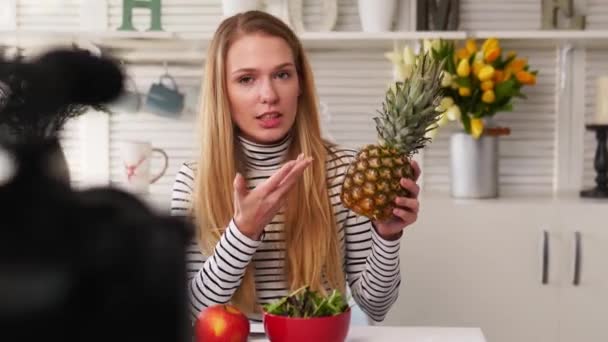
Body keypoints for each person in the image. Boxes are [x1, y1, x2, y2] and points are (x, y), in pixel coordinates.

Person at [170, 10, 421, 323]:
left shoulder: (343, 170)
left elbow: (375, 305)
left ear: (300, 83)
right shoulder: (193, 181)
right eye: (246, 79)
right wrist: (242, 233)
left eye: (282, 74)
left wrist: (387, 237)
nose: (269, 95)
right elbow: (192, 314)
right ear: (222, 92)